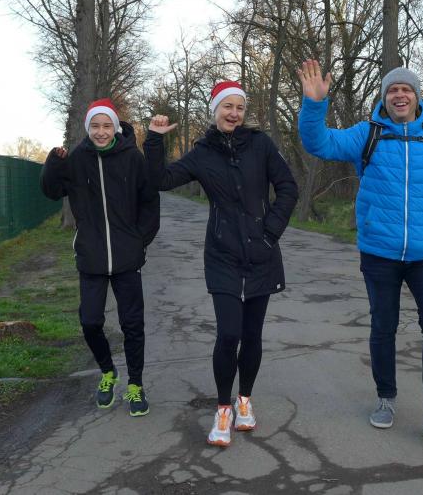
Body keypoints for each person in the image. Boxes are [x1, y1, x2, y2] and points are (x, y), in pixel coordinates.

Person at [297, 60, 423, 447]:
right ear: (384, 98)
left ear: (417, 97)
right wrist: (314, 105)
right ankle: (386, 399)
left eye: (406, 89)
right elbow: (319, 143)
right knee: (383, 327)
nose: (399, 95)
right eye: (393, 89)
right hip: (379, 253)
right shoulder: (367, 134)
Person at [145, 81, 298, 447]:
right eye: (227, 107)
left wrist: (270, 232)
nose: (234, 113)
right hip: (222, 256)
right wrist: (154, 140)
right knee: (229, 334)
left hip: (261, 254)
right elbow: (160, 180)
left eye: (239, 108)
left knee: (252, 336)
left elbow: (288, 188)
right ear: (214, 110)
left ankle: (245, 400)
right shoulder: (202, 153)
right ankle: (223, 408)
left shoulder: (260, 144)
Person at [40, 98, 159, 416]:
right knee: (90, 321)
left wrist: (140, 241)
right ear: (88, 128)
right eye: (95, 126)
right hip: (91, 257)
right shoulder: (78, 158)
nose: (101, 132)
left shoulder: (132, 158)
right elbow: (52, 191)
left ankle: (136, 385)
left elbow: (149, 201)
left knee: (132, 324)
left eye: (107, 126)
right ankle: (108, 371)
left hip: (126, 258)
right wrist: (53, 163)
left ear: (115, 127)